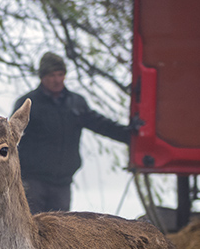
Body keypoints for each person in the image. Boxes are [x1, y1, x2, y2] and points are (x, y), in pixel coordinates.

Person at [12, 52, 133, 213]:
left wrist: (130, 135)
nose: (57, 80)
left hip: (63, 183)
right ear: (42, 77)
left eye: (60, 74)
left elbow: (101, 124)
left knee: (60, 233)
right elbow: (9, 139)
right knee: (33, 231)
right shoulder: (27, 104)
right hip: (33, 182)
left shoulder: (76, 103)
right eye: (52, 75)